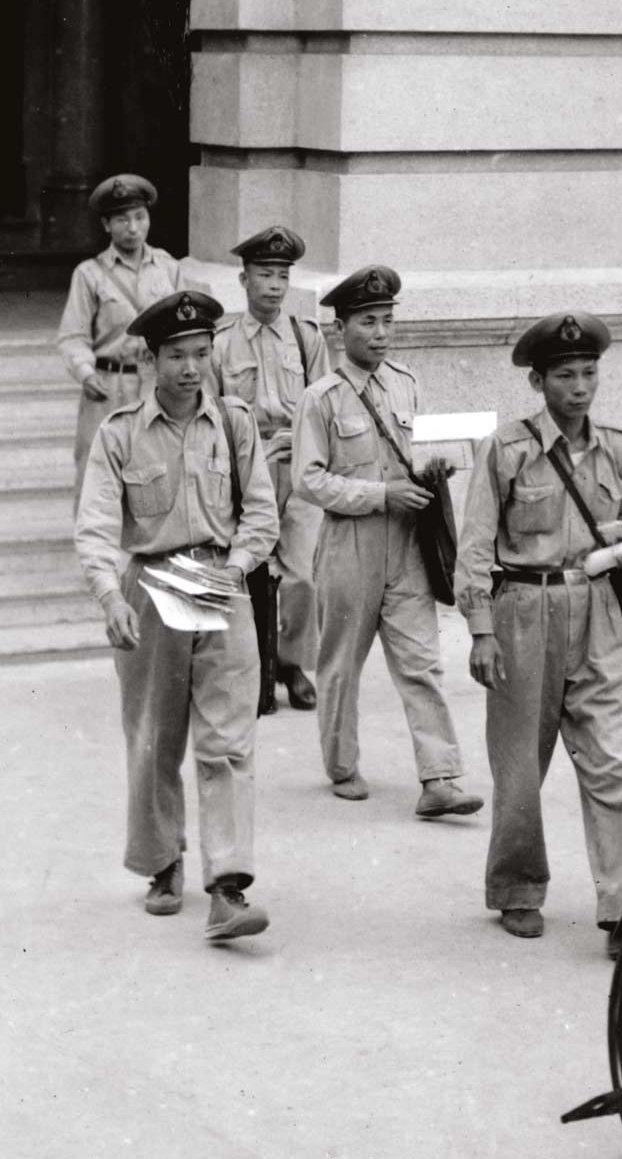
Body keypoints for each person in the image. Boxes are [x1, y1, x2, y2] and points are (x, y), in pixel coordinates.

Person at [454, 311, 622, 955]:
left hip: (598, 612)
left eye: (589, 373)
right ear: (538, 381)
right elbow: (473, 547)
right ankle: (518, 889)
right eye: (566, 376)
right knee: (521, 764)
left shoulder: (619, 447)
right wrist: (480, 631)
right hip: (524, 609)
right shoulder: (509, 449)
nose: (581, 387)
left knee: (612, 762)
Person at [74, 290, 280, 943]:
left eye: (201, 352)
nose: (191, 367)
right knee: (153, 738)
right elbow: (97, 527)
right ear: (150, 358)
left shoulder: (235, 423)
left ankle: (228, 885)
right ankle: (163, 861)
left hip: (220, 579)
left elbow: (262, 515)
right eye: (177, 355)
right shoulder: (120, 432)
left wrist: (237, 564)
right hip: (152, 582)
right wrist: (110, 597)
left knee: (228, 740)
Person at [291, 263, 482, 816]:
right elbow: (310, 479)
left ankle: (440, 777)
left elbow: (424, 454)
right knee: (341, 665)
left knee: (421, 662)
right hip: (350, 544)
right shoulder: (321, 398)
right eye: (368, 322)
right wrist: (381, 494)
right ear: (340, 329)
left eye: (386, 321)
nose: (379, 333)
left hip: (407, 547)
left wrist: (443, 464)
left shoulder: (407, 382)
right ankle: (342, 763)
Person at [212, 225, 330, 710]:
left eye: (282, 275)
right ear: (244, 280)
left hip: (297, 469)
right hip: (246, 472)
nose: (275, 285)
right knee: (250, 569)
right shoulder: (220, 344)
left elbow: (325, 403)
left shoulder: (306, 337)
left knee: (304, 572)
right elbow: (214, 415)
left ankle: (293, 662)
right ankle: (255, 667)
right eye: (265, 274)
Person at [57, 174, 184, 504]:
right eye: (122, 219)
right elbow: (73, 336)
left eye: (140, 217)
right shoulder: (90, 274)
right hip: (107, 386)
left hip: (156, 386)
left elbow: (182, 332)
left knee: (157, 473)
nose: (133, 227)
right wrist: (85, 373)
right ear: (106, 224)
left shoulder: (168, 269)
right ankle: (95, 554)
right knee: (96, 476)